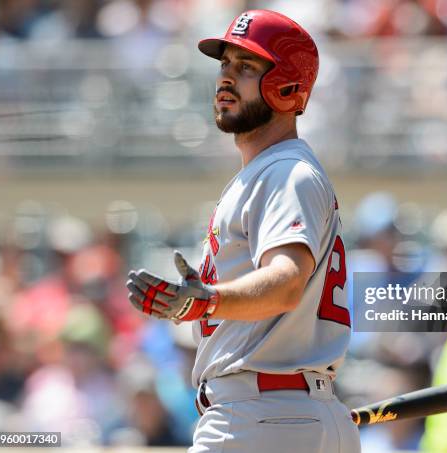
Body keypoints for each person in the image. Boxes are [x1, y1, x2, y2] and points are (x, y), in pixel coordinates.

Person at [126, 9, 360, 453]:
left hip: (259, 416)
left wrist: (209, 301)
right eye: (224, 65)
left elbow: (287, 280)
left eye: (246, 67)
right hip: (285, 413)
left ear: (288, 86)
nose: (225, 78)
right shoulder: (270, 172)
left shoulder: (287, 171)